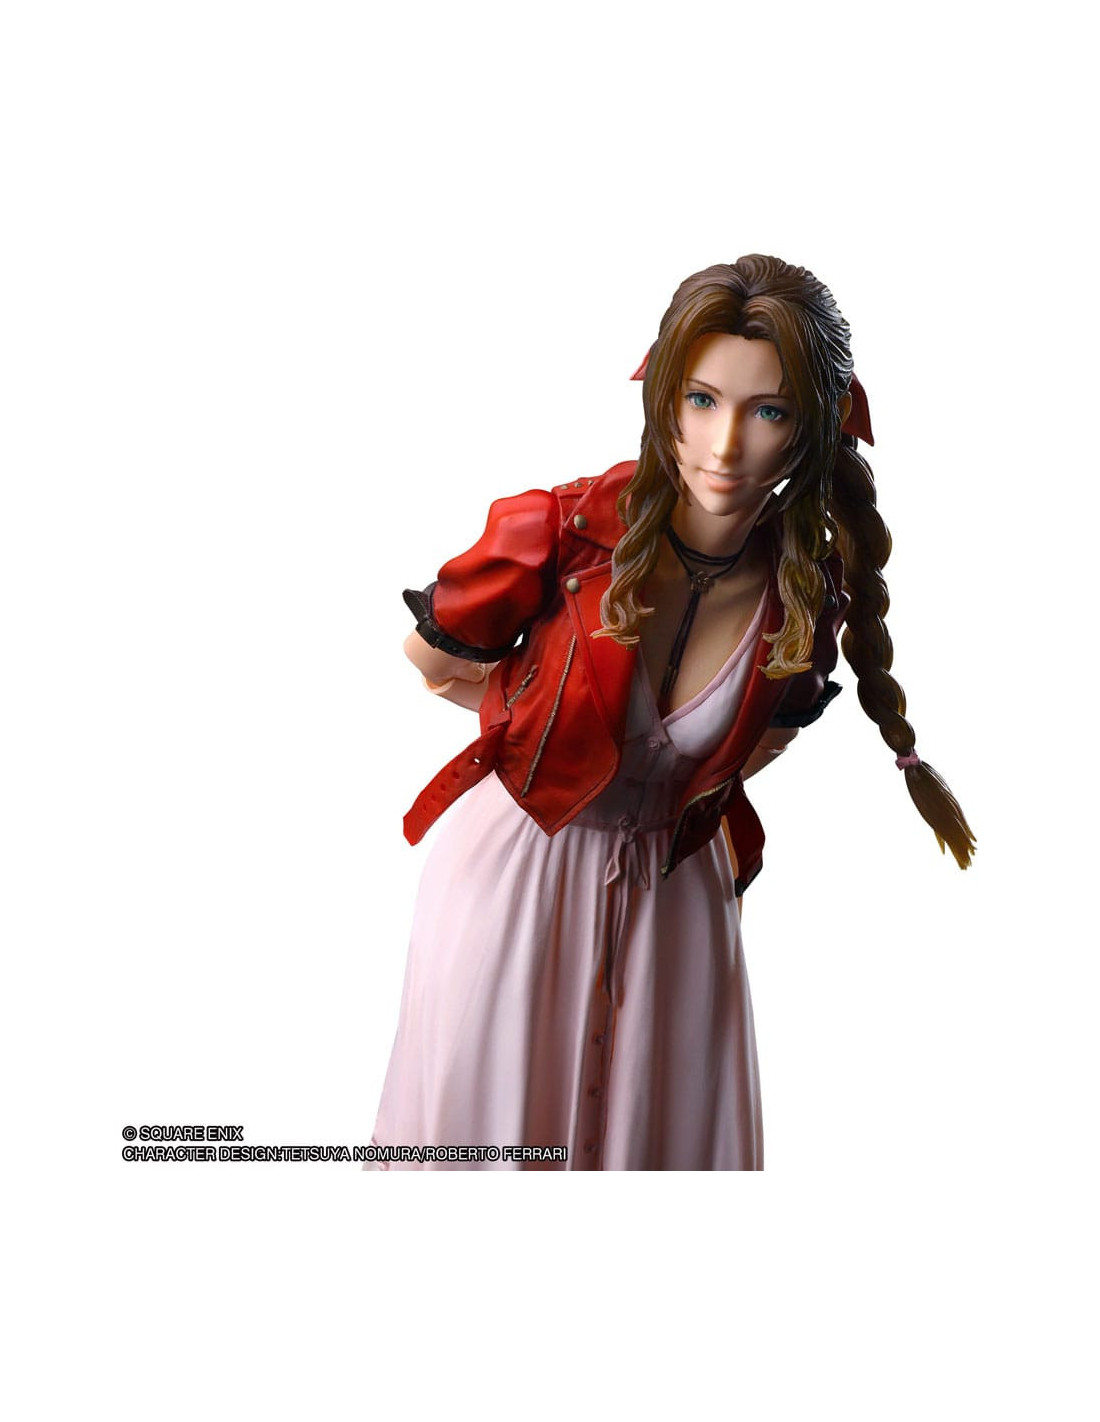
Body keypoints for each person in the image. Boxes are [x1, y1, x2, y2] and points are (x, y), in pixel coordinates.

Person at [369, 254, 974, 1171]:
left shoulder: (802, 597)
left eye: (768, 412)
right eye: (701, 399)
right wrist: (540, 720)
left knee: (662, 1146)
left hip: (678, 890)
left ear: (815, 429)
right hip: (521, 866)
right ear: (664, 400)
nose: (724, 445)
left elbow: (757, 744)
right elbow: (434, 664)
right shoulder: (556, 531)